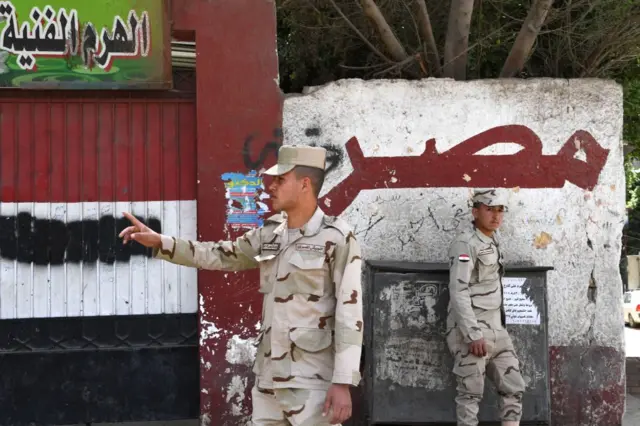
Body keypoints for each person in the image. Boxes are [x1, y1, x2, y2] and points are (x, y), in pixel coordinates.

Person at [119, 145, 363, 426]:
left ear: (305, 184)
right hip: (268, 380)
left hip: (312, 382)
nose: (271, 186)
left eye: (281, 179)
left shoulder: (336, 238)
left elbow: (350, 311)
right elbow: (222, 255)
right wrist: (161, 242)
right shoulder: (271, 234)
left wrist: (343, 381)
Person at [446, 189, 525, 426]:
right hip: (473, 331)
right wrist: (472, 334)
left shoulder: (493, 238)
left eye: (500, 210)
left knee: (514, 387)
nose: (496, 216)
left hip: (496, 330)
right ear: (475, 211)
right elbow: (458, 290)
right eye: (489, 209)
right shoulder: (465, 243)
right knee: (470, 394)